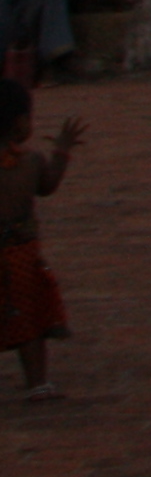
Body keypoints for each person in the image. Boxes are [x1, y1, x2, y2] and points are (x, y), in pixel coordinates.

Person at [0, 77, 82, 399]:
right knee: (30, 320)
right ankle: (38, 383)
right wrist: (61, 152)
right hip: (21, 253)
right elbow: (48, 186)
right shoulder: (30, 161)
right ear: (21, 123)